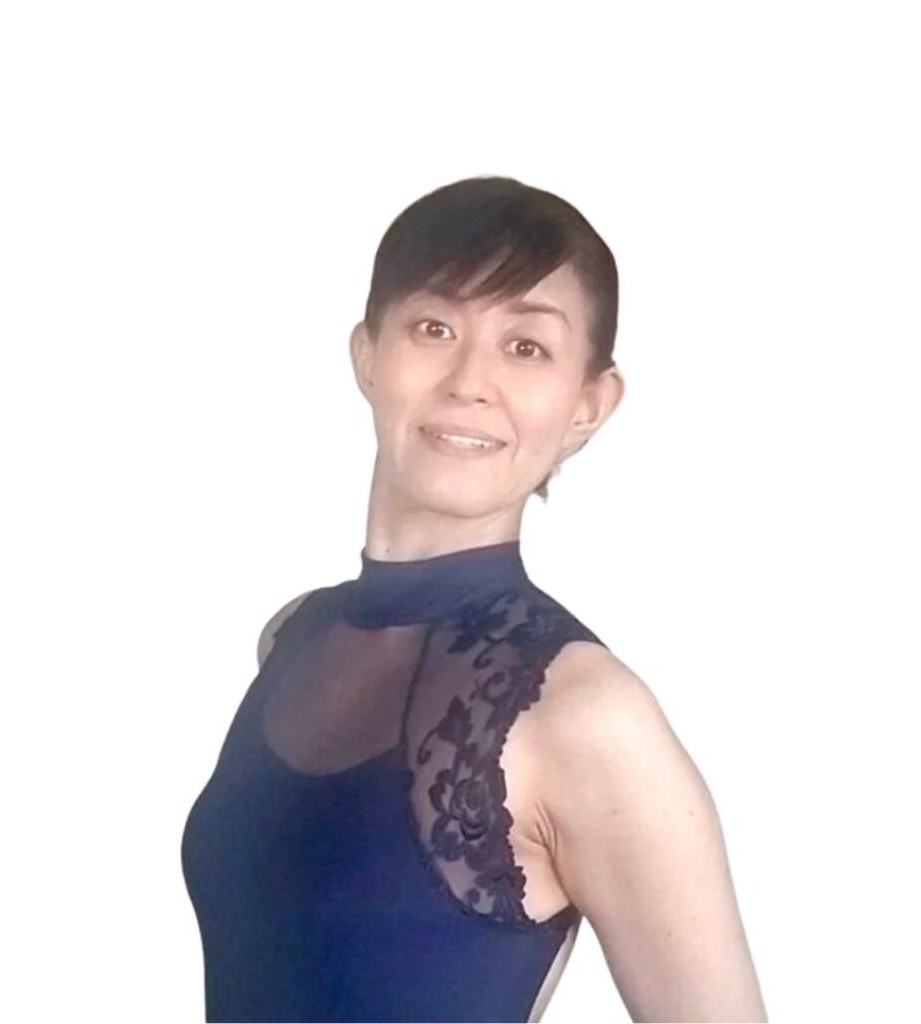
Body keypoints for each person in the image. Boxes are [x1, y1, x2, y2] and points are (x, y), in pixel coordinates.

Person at [181, 175, 768, 1022]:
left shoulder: (587, 714)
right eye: (434, 328)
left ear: (589, 404)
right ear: (367, 354)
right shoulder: (293, 638)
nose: (470, 380)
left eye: (526, 347)